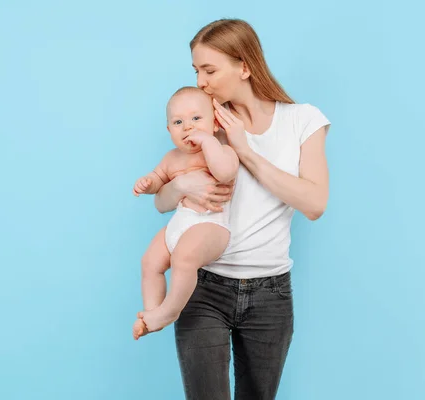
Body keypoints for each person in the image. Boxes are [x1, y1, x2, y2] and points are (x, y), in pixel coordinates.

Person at [153, 19, 332, 399]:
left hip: (271, 295)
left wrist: (246, 152)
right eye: (196, 70)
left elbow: (314, 204)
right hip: (204, 288)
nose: (200, 81)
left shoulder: (302, 121)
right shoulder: (202, 122)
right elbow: (161, 202)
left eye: (209, 70)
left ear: (245, 67)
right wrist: (180, 185)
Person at [131, 86, 239, 340]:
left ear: (215, 123)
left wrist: (209, 142)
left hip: (211, 224)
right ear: (169, 130)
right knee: (149, 263)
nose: (188, 127)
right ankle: (151, 313)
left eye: (196, 119)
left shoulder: (223, 150)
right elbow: (159, 181)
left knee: (184, 258)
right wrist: (148, 183)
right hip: (180, 223)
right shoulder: (171, 158)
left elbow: (225, 173)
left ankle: (170, 310)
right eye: (178, 122)